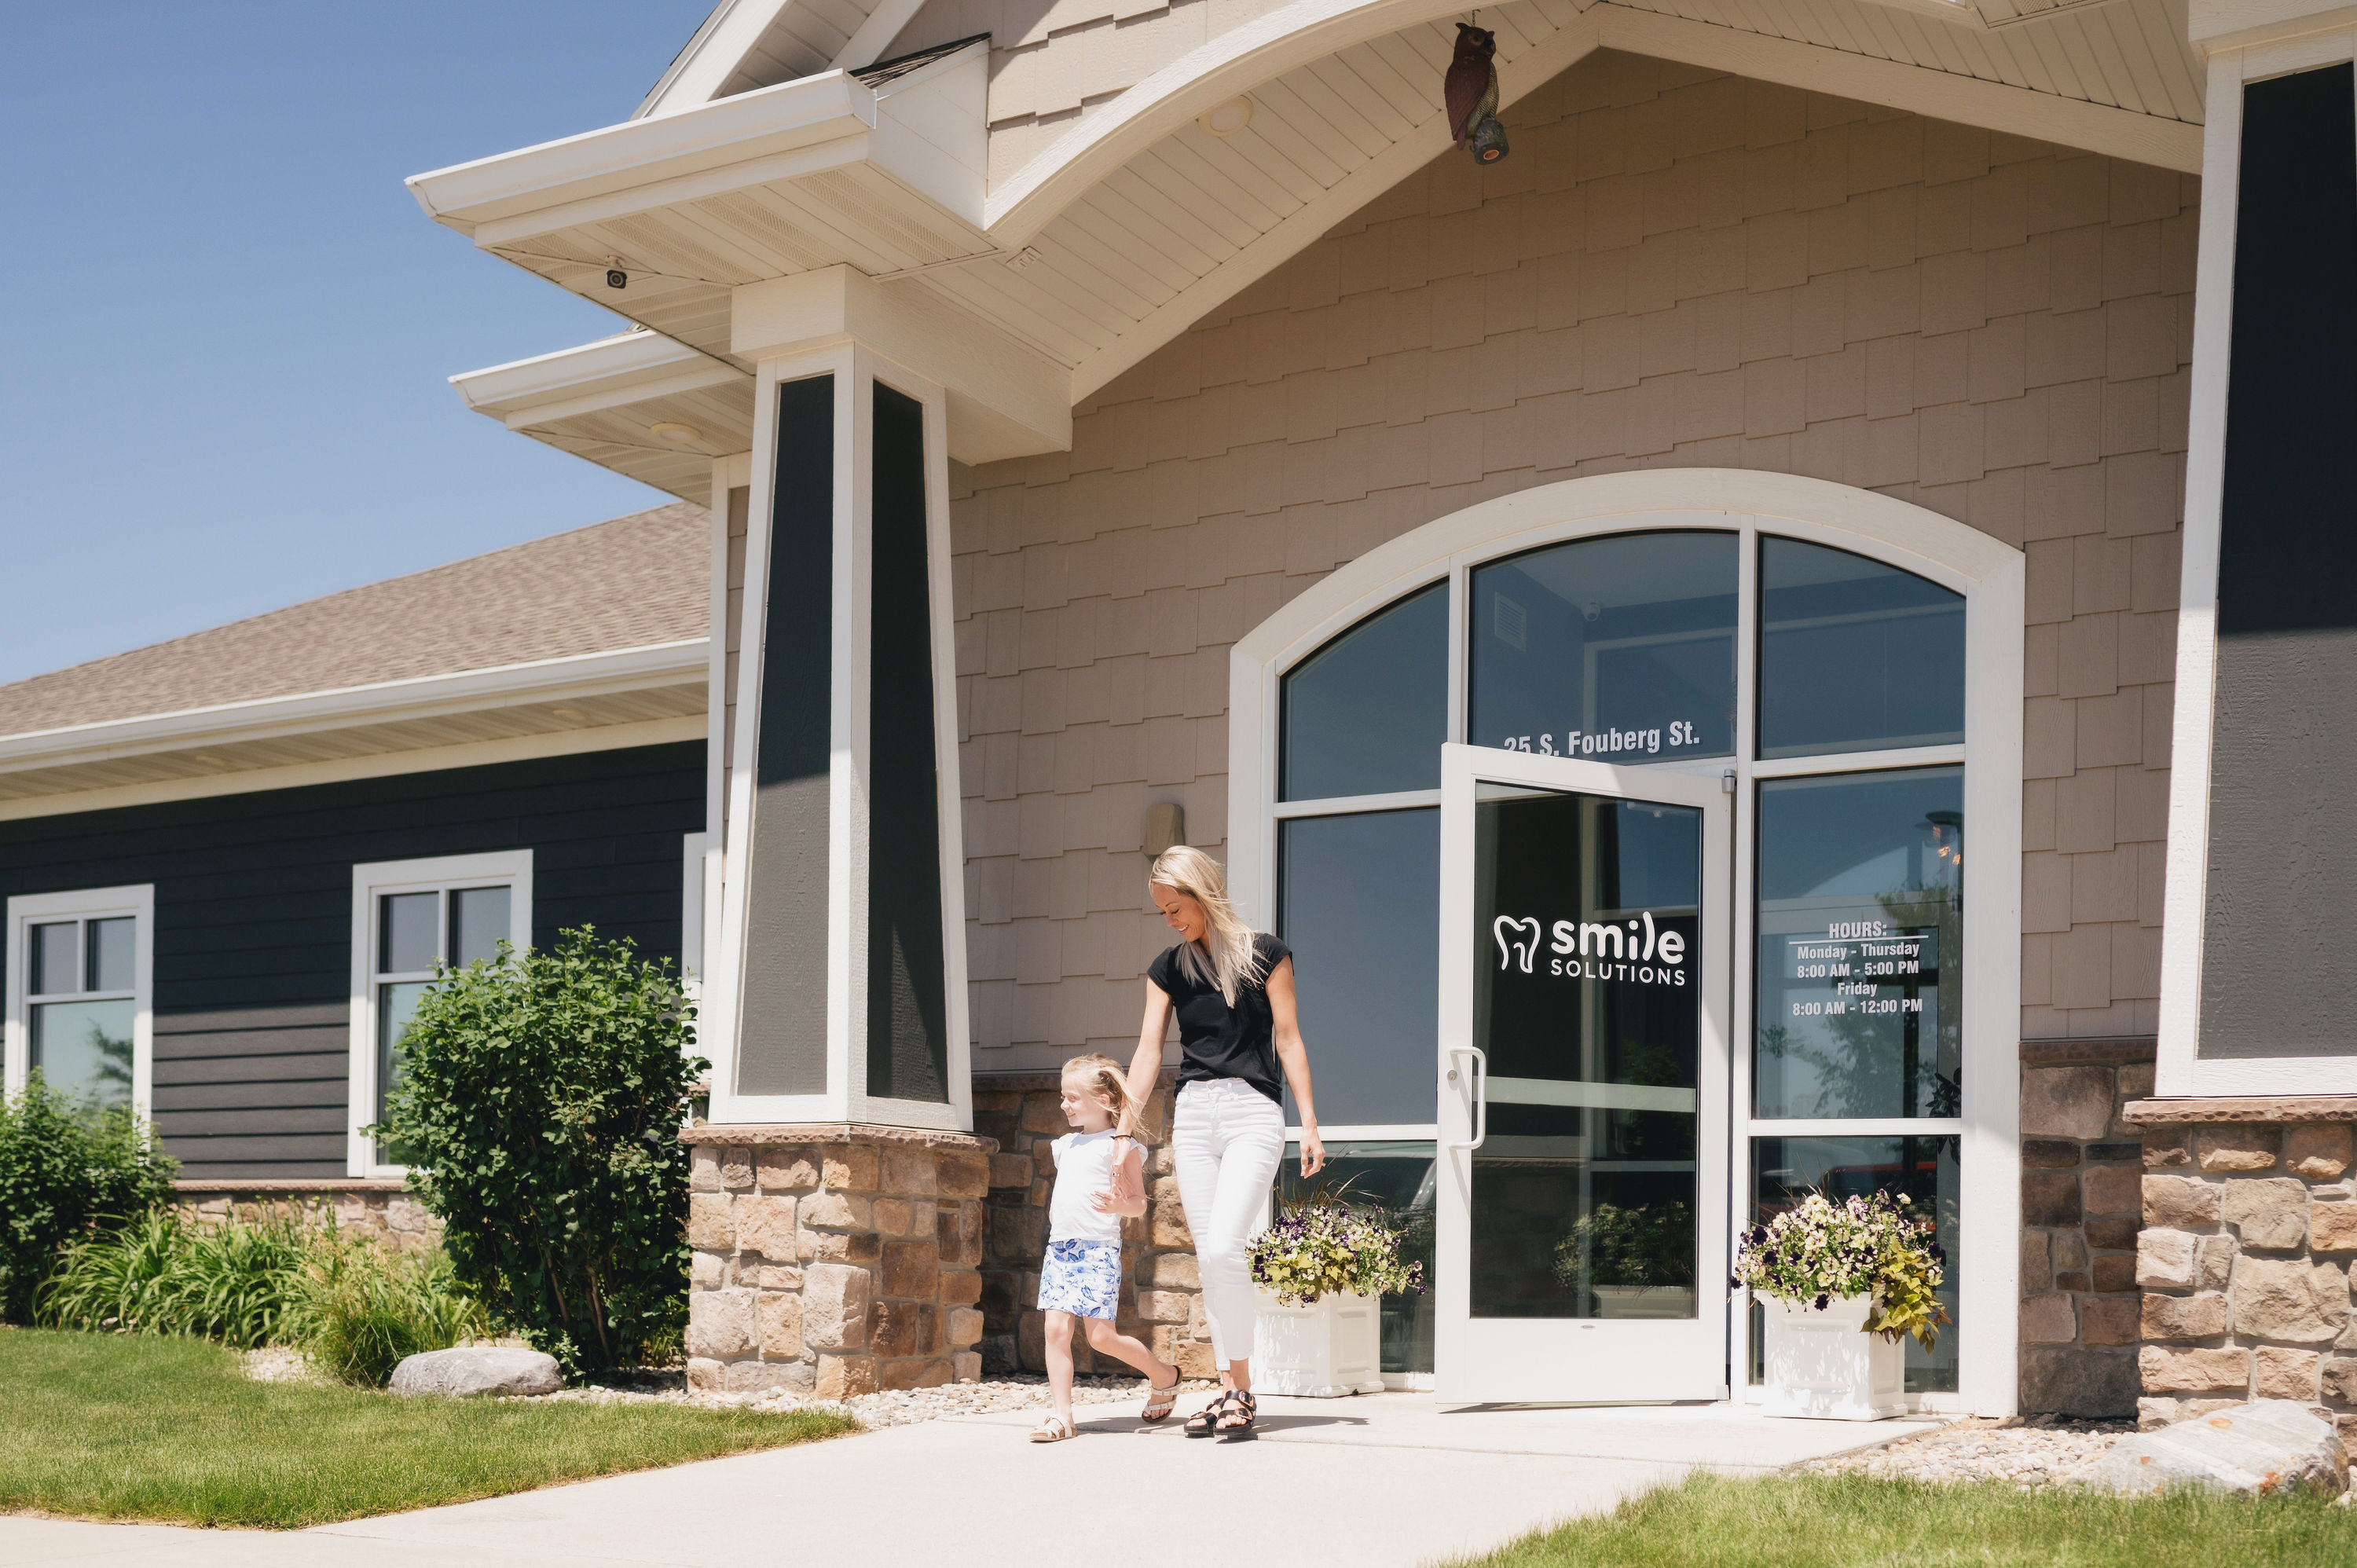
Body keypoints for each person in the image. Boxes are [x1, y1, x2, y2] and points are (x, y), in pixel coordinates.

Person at [1122, 844, 1325, 1444]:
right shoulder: (1168, 967)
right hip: (1195, 1115)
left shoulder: (1267, 954)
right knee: (1211, 1257)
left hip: (1251, 1113)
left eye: (1174, 906)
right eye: (1161, 911)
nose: (1169, 919)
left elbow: (1288, 1038)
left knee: (1223, 1250)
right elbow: (1146, 1051)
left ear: (1201, 892)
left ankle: (1238, 1389)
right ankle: (1231, 1386)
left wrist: (1308, 1121)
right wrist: (1123, 1132)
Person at [1029, 1053, 1184, 1442]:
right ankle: (1061, 1416)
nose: (1064, 1105)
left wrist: (1119, 1205)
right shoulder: (1066, 1145)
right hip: (1060, 1249)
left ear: (1105, 1100)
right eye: (1063, 1097)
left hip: (1097, 1251)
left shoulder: (1121, 1146)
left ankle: (1164, 1375)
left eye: (1072, 1098)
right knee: (1055, 1331)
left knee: (1101, 1338)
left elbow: (1138, 1203)